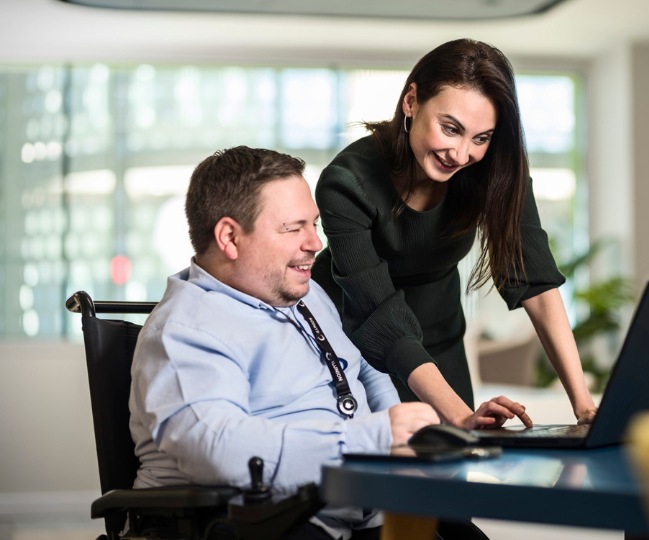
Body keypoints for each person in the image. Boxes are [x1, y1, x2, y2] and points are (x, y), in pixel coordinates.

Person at [128, 146, 444, 540]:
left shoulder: (303, 293)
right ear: (229, 237)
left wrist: (399, 444)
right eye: (294, 228)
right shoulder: (184, 331)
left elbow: (362, 369)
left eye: (314, 224)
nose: (315, 243)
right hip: (252, 524)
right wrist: (373, 438)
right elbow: (218, 449)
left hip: (356, 509)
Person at [311, 38, 597, 430]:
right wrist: (461, 415)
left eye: (480, 138)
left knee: (455, 468)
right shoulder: (346, 183)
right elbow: (381, 313)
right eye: (451, 129)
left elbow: (537, 284)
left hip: (441, 342)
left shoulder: (493, 173)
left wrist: (584, 406)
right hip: (357, 345)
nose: (461, 155)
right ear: (411, 101)